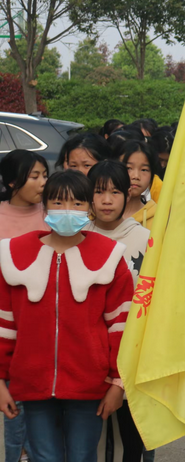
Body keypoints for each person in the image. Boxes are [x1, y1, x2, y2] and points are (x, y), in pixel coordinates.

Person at [0, 170, 134, 461]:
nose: (67, 211)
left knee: (82, 457)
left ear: (89, 208)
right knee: (44, 458)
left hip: (90, 385)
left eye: (76, 203)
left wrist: (118, 383)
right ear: (44, 208)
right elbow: (4, 325)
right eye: (58, 203)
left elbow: (121, 326)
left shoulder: (110, 257)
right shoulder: (13, 254)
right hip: (31, 384)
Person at [86, 161, 154, 462]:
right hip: (87, 358)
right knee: (92, 443)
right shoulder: (77, 236)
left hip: (131, 357)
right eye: (99, 192)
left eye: (115, 192)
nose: (107, 200)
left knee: (130, 442)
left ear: (128, 195)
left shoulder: (144, 239)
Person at [0, 149, 51, 462]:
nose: (43, 182)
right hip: (7, 327)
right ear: (11, 182)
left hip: (45, 326)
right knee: (14, 410)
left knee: (43, 410)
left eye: (45, 174)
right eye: (34, 176)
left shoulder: (54, 213)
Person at [117, 140, 158, 230]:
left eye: (144, 170)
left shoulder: (159, 218)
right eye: (128, 168)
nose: (136, 176)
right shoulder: (96, 214)